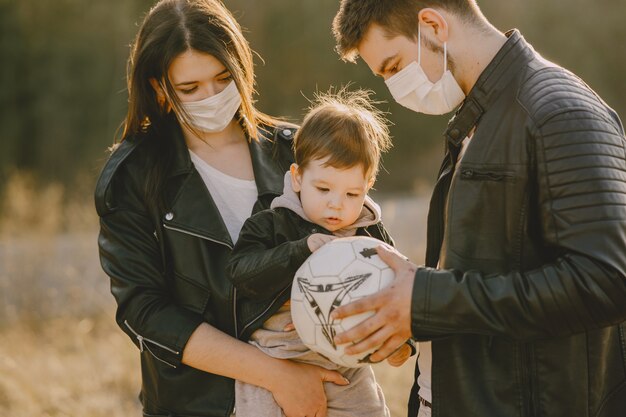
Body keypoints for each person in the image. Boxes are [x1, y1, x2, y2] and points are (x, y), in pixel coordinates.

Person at [329, 1, 626, 417]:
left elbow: (605, 282)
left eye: (394, 67)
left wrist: (427, 299)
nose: (394, 88)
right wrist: (410, 307)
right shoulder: (476, 120)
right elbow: (482, 275)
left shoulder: (559, 110)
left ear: (432, 25)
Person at [94, 1, 350, 416]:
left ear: (241, 68)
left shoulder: (296, 149)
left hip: (323, 393)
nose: (211, 97)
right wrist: (275, 375)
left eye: (222, 78)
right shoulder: (132, 177)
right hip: (202, 403)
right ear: (159, 88)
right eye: (190, 89)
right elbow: (144, 311)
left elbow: (355, 249)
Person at [226, 88, 414, 417]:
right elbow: (241, 273)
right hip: (275, 354)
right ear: (297, 178)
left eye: (352, 193)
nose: (336, 204)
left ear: (368, 185)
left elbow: (400, 293)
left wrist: (402, 343)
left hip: (344, 361)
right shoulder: (271, 223)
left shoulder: (370, 235)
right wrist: (300, 251)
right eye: (323, 189)